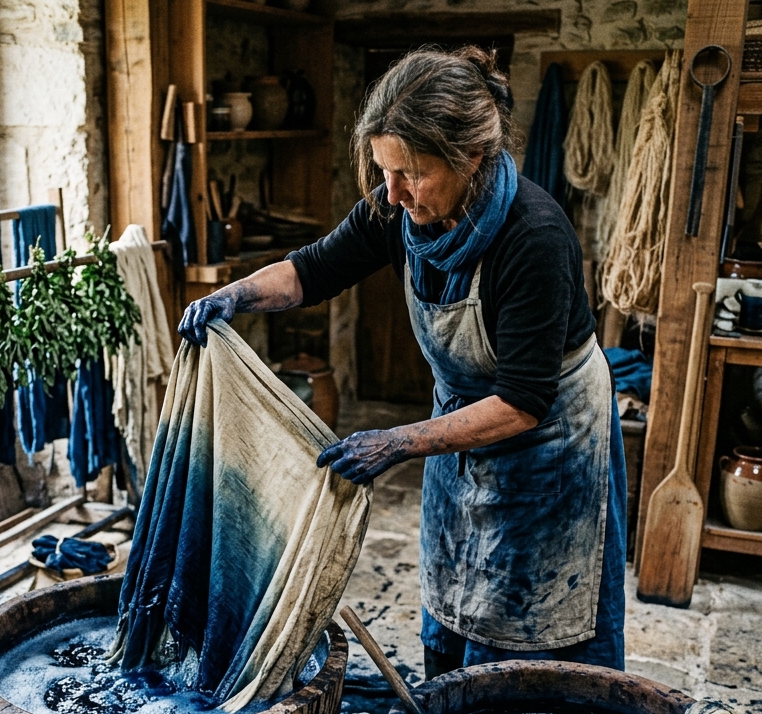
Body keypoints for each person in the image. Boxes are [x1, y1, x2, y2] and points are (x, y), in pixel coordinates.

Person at [177, 46, 625, 680]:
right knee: (458, 595)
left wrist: (396, 441)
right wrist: (232, 296)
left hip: (547, 445)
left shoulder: (534, 238)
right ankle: (449, 709)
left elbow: (524, 400)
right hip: (457, 427)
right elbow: (313, 271)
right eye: (384, 170)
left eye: (411, 172)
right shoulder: (397, 209)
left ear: (471, 156)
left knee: (533, 628)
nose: (392, 192)